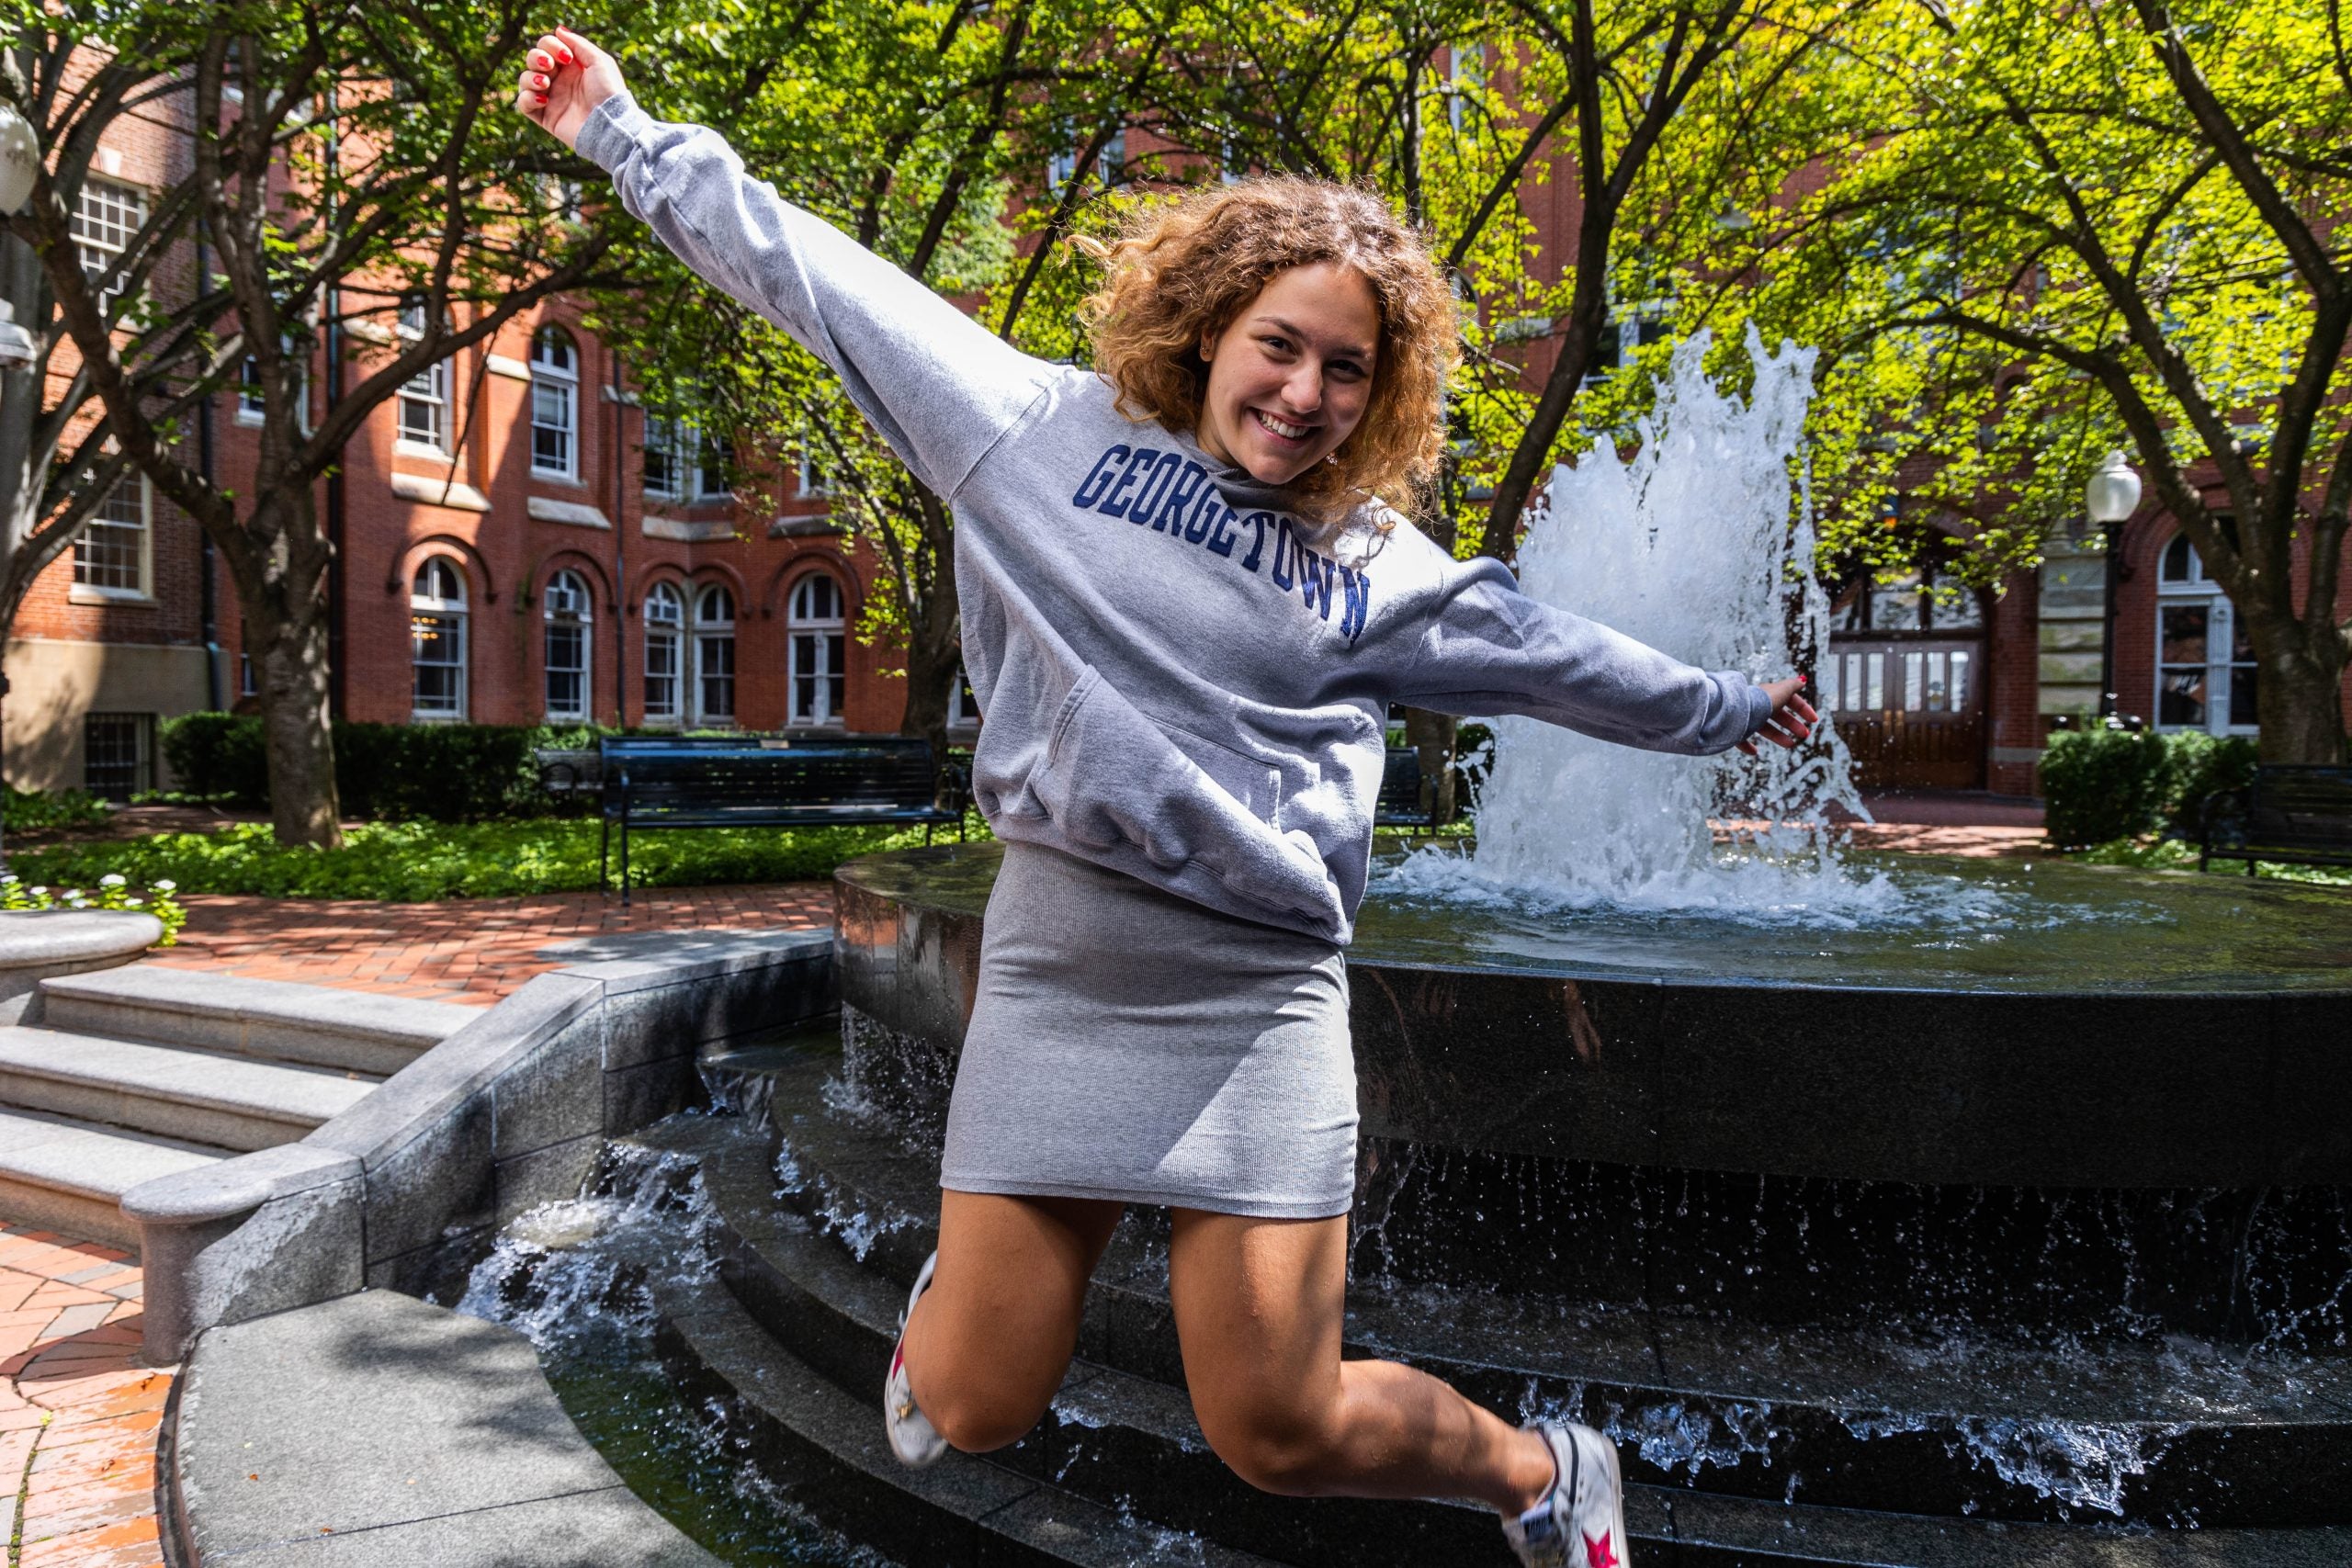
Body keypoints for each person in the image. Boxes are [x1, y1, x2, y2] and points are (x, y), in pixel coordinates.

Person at [517, 29, 1815, 1567]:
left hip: (1254, 999)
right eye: (1282, 344)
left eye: (1349, 369)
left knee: (1279, 1430)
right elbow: (814, 275)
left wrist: (1734, 710)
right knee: (976, 1407)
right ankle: (954, 1306)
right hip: (1065, 969)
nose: (1306, 391)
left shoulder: (1375, 566)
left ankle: (1547, 1472)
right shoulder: (1031, 433)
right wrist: (620, 131)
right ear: (1211, 329)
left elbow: (1559, 662)